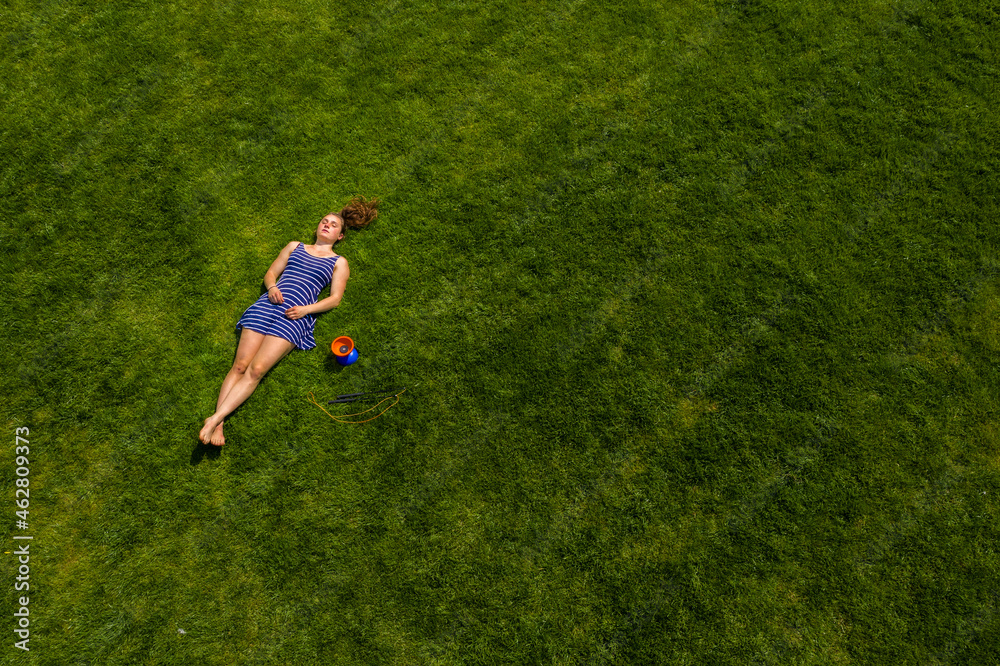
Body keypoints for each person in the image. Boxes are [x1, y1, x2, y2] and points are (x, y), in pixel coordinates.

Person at [199, 197, 379, 446]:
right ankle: (218, 425)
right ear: (317, 227)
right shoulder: (295, 246)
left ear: (340, 236)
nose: (327, 225)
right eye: (324, 222)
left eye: (334, 225)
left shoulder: (338, 262)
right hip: (267, 306)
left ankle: (213, 419)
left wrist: (306, 310)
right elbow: (271, 273)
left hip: (295, 316)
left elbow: (335, 299)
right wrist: (271, 286)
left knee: (257, 370)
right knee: (240, 366)